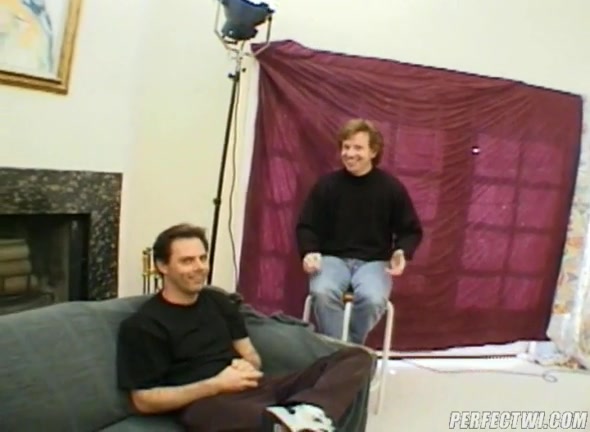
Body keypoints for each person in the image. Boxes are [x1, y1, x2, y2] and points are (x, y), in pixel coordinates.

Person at [116, 223, 373, 432]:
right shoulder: (145, 325)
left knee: (357, 357)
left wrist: (246, 365)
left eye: (203, 258)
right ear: (162, 266)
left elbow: (251, 356)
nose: (200, 267)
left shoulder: (218, 301)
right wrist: (216, 384)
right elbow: (142, 401)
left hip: (256, 387)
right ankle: (290, 422)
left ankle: (304, 414)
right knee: (254, 419)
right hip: (208, 403)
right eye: (187, 261)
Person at [295, 118, 423, 345]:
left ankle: (344, 351)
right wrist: (309, 251)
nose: (350, 154)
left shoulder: (390, 188)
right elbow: (307, 226)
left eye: (357, 148)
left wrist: (402, 252)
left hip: (374, 262)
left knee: (373, 299)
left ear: (373, 152)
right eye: (346, 147)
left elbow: (410, 230)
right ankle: (347, 353)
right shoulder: (326, 185)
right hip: (333, 259)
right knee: (322, 293)